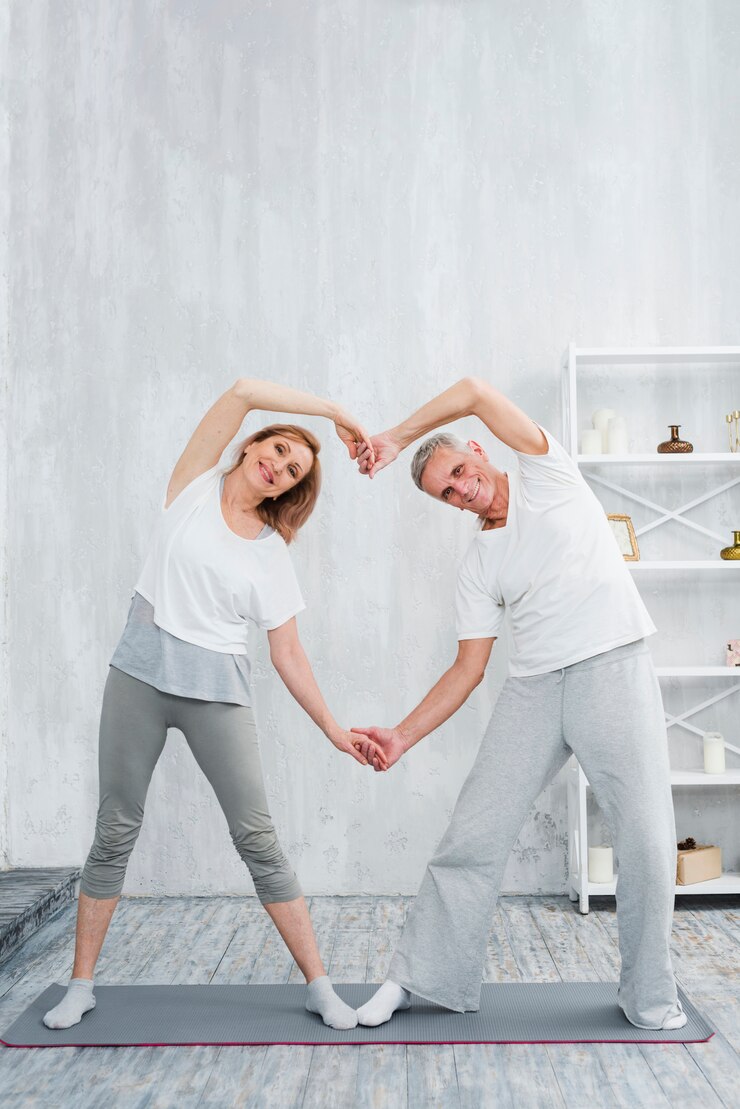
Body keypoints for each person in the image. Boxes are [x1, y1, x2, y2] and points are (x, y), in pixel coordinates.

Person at [43, 378, 385, 1032]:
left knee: (257, 838)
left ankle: (319, 985)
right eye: (278, 447)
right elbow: (243, 389)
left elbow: (288, 654)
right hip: (138, 677)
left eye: (291, 469)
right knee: (114, 829)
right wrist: (337, 413)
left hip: (218, 693)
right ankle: (81, 983)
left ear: (287, 490)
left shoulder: (270, 554)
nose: (278, 464)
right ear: (253, 440)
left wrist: (333, 728)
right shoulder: (193, 482)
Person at [350, 376, 685, 1031]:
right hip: (533, 689)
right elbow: (468, 668)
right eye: (445, 493)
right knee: (472, 834)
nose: (459, 489)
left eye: (457, 471)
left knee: (645, 838)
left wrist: (396, 436)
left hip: (611, 666)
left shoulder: (547, 473)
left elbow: (474, 390)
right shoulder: (479, 562)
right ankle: (414, 977)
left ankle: (648, 996)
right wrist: (401, 735)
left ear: (476, 449)